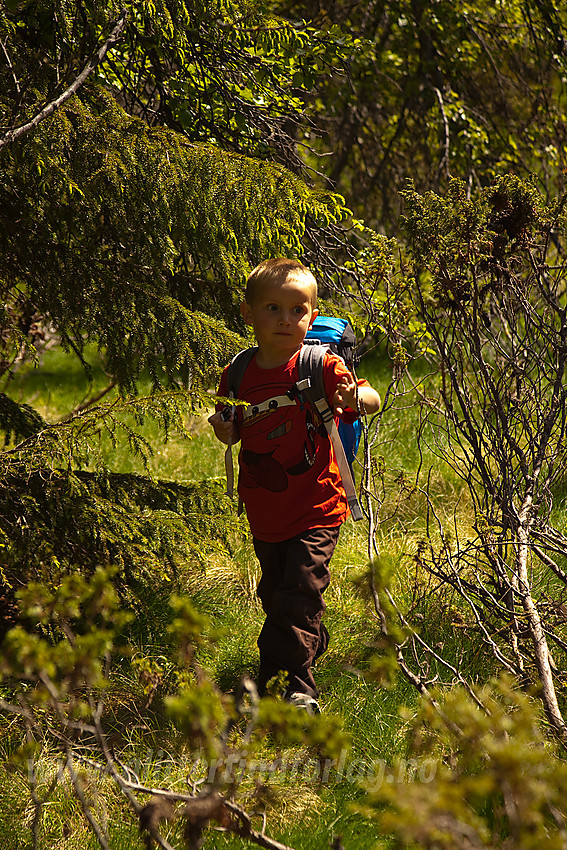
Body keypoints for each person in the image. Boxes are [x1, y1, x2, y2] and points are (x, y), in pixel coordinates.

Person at [208, 258, 381, 712]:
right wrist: (223, 428)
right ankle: (309, 639)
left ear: (311, 313)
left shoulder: (319, 364)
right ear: (247, 314)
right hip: (265, 509)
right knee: (277, 594)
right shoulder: (240, 373)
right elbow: (231, 424)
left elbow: (372, 397)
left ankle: (290, 687)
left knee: (299, 591)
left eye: (297, 310)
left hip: (317, 505)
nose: (286, 320)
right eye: (272, 308)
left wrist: (353, 399)